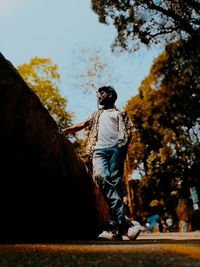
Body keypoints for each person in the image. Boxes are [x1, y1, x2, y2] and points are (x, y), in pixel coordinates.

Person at [62, 86, 140, 241]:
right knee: (101, 177)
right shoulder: (97, 114)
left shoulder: (120, 113)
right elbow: (81, 125)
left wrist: (123, 146)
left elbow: (129, 131)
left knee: (116, 184)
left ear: (110, 95)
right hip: (98, 151)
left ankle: (115, 230)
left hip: (116, 151)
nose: (98, 97)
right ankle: (125, 224)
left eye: (101, 94)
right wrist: (64, 130)